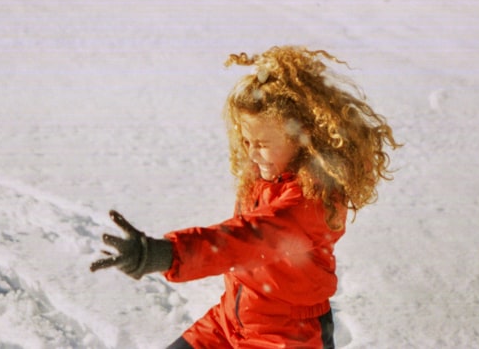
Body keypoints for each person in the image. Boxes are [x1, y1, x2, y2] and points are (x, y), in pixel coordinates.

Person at [91, 46, 399, 348]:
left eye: (262, 143)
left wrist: (168, 253)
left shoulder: (312, 201)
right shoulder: (264, 178)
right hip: (231, 322)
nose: (252, 153)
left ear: (302, 136)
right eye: (247, 140)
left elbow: (247, 239)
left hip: (288, 337)